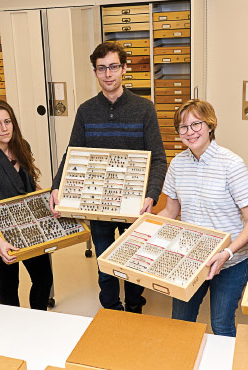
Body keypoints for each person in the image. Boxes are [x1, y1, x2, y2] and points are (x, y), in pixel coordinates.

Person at [49, 41, 167, 313]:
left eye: (113, 67)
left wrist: (151, 195)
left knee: (134, 261)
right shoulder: (86, 110)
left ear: (124, 69)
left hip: (134, 204)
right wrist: (58, 187)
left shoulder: (144, 109)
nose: (108, 74)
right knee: (105, 264)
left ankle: (135, 305)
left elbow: (158, 158)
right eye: (101, 69)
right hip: (98, 205)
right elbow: (71, 155)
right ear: (95, 72)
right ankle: (111, 310)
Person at [157, 99, 248, 337]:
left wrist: (227, 253)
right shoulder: (177, 164)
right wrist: (142, 227)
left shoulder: (231, 164)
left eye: (196, 124)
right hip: (191, 258)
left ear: (210, 125)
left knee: (221, 324)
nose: (190, 132)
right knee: (181, 323)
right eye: (183, 127)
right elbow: (170, 212)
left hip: (231, 261)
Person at [0, 99, 53, 310]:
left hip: (29, 225)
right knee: (9, 283)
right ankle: (13, 328)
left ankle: (38, 317)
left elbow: (29, 184)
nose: (4, 128)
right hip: (1, 230)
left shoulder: (22, 146)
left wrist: (48, 199)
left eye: (7, 121)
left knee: (44, 278)